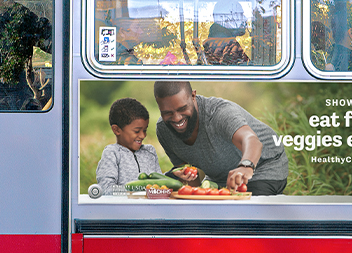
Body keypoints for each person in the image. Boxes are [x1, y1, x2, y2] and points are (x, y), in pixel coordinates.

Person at [154, 81, 288, 195]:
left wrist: (246, 166)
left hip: (263, 167)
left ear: (193, 96)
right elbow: (192, 180)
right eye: (168, 113)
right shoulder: (164, 130)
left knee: (243, 209)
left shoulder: (219, 113)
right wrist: (183, 180)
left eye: (182, 108)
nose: (177, 118)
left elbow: (251, 140)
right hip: (220, 179)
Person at [96, 98, 162, 195]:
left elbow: (161, 184)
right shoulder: (112, 153)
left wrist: (174, 175)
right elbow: (105, 188)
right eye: (137, 131)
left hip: (150, 209)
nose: (143, 135)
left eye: (145, 130)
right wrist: (140, 190)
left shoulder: (150, 151)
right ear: (116, 130)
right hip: (123, 209)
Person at [203, 0, 249, 65]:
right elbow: (246, 69)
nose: (245, 18)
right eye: (240, 14)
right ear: (226, 19)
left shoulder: (217, 42)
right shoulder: (229, 44)